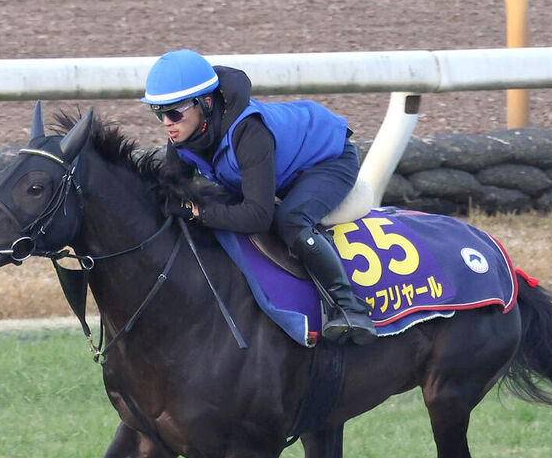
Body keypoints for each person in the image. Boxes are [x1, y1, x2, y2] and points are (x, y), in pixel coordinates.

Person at [142, 49, 377, 345]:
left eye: (174, 112)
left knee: (290, 220)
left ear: (206, 103)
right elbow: (169, 194)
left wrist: (197, 213)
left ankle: (349, 308)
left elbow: (258, 216)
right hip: (285, 164)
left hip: (328, 160)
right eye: (158, 112)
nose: (166, 122)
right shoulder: (183, 136)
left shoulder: (249, 133)